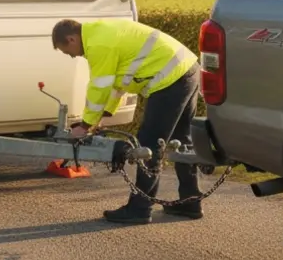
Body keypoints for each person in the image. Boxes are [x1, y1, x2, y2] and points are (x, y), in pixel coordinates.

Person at [51, 18, 203, 224]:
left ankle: (140, 209)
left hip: (170, 79)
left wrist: (85, 125)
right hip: (187, 69)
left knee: (149, 145)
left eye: (67, 51)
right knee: (181, 140)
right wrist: (103, 116)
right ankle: (190, 202)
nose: (71, 56)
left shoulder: (98, 45)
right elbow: (117, 83)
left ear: (71, 38)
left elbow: (100, 86)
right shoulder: (100, 32)